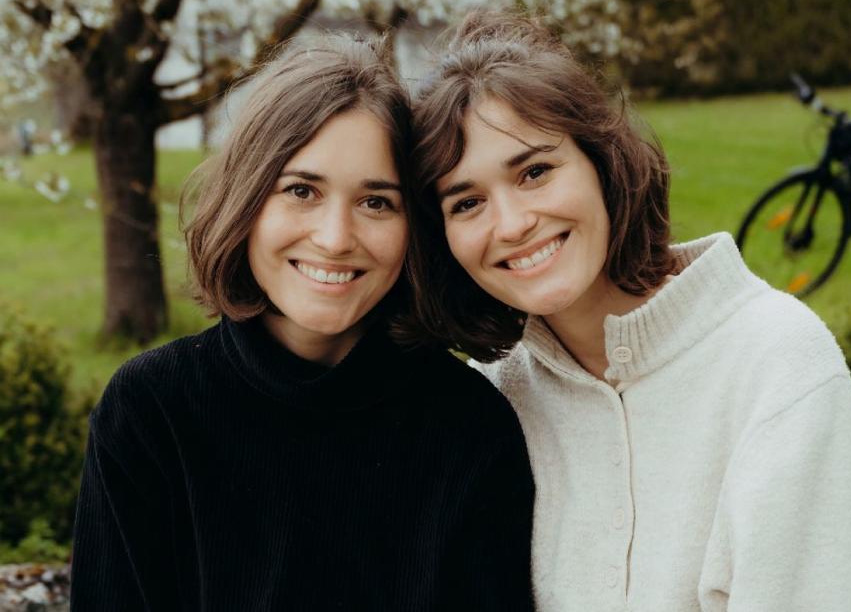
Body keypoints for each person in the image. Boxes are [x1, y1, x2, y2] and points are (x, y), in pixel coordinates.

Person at [408, 10, 851, 611]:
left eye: (535, 172)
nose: (511, 224)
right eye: (467, 202)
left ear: (604, 166)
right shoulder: (493, 398)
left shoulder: (775, 362)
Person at [71, 34, 535, 611]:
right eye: (301, 190)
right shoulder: (150, 412)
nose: (335, 238)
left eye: (376, 202)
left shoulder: (469, 426)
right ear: (246, 202)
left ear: (412, 229)